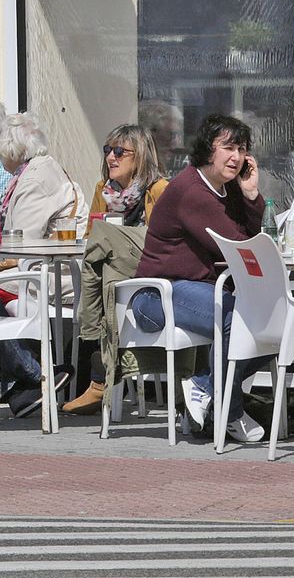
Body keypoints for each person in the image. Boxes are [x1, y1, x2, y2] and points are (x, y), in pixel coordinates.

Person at [126, 113, 271, 443]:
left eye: (242, 149)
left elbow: (246, 237)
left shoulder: (226, 189)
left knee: (274, 322)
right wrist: (249, 206)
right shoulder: (192, 190)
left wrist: (250, 195)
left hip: (195, 290)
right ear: (208, 148)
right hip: (155, 296)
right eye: (228, 147)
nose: (236, 157)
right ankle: (228, 412)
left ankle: (206, 386)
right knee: (238, 318)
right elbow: (236, 247)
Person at [63, 124, 171, 415]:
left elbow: (167, 241)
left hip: (150, 274)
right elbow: (90, 236)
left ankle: (99, 381)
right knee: (106, 269)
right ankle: (100, 379)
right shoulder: (103, 190)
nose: (111, 157)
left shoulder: (159, 190)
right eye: (108, 150)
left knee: (105, 267)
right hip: (114, 278)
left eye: (120, 152)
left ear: (140, 157)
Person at [0, 111, 85, 241]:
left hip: (49, 259)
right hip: (53, 256)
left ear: (9, 148)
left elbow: (23, 242)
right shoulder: (44, 166)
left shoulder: (34, 180)